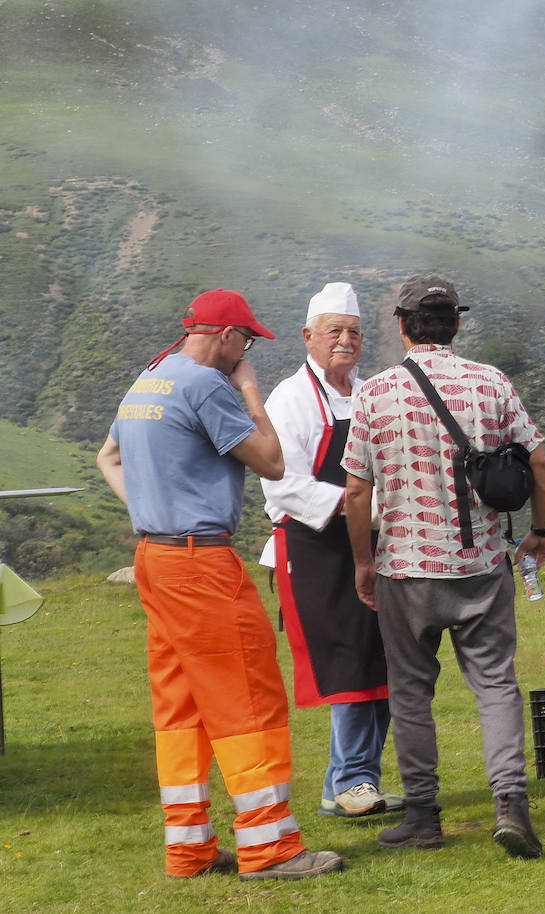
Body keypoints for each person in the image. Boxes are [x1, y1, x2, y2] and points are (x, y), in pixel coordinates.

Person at [95, 289, 342, 881]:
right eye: (247, 341)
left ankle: (189, 849)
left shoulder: (149, 379)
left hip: (156, 556)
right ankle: (270, 847)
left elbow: (108, 456)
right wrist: (252, 391)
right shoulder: (209, 386)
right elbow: (273, 461)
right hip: (201, 563)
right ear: (226, 337)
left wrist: (153, 514)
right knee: (246, 698)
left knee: (179, 705)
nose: (247, 351)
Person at [342, 273, 545, 859]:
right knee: (495, 686)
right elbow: (537, 458)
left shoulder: (376, 392)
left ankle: (422, 815)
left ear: (403, 325)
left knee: (411, 694)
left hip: (406, 568)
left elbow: (357, 492)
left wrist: (364, 563)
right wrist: (540, 531)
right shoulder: (491, 383)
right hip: (482, 564)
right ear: (456, 323)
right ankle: (511, 803)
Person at [259, 282, 402, 818]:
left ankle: (351, 782)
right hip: (314, 548)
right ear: (308, 336)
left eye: (354, 332)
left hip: (371, 543)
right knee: (347, 661)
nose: (345, 341)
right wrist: (358, 504)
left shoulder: (369, 393)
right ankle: (351, 780)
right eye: (334, 331)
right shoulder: (288, 399)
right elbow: (283, 484)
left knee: (382, 659)